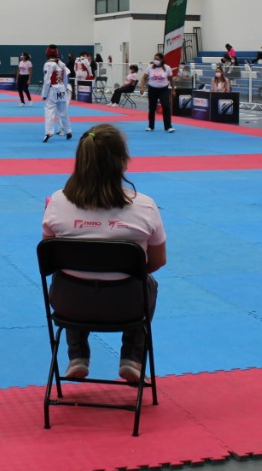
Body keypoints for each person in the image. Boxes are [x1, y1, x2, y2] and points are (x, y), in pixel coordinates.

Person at [41, 123, 167, 384]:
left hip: (69, 305)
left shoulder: (57, 202)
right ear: (123, 161)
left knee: (67, 276)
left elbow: (49, 259)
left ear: (80, 159)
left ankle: (77, 355)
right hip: (127, 305)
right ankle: (132, 358)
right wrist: (122, 270)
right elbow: (157, 260)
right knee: (148, 283)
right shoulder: (144, 206)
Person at [42, 45, 72, 142]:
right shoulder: (62, 64)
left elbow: (47, 81)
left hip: (52, 89)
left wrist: (44, 94)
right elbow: (65, 79)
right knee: (63, 111)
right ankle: (68, 130)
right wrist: (65, 88)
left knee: (49, 110)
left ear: (47, 53)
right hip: (62, 88)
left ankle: (49, 132)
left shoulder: (48, 64)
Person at [144, 54, 174, 132]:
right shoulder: (150, 67)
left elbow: (171, 79)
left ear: (162, 60)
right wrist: (142, 87)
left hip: (163, 89)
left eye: (157, 59)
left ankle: (168, 126)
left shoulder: (167, 68)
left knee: (166, 106)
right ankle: (151, 126)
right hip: (152, 89)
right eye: (154, 59)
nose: (155, 60)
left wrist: (173, 90)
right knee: (152, 108)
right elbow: (144, 78)